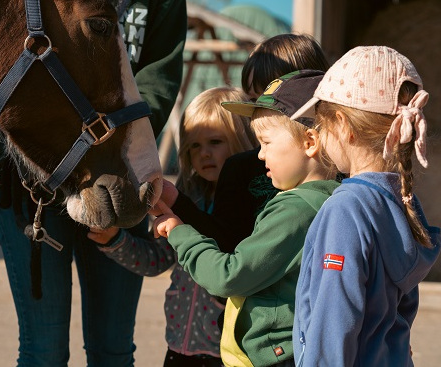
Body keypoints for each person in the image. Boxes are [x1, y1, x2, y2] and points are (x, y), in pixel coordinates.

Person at [0, 1, 187, 366]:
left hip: (118, 171)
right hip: (30, 181)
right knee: (44, 350)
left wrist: (111, 134)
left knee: (113, 349)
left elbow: (160, 73)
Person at [153, 70, 339, 367]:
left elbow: (230, 275)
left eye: (265, 143)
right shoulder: (335, 197)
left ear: (309, 142)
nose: (259, 156)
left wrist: (178, 231)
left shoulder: (296, 210)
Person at [290, 46, 441, 366]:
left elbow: (335, 319)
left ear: (343, 126)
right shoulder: (403, 202)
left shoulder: (346, 210)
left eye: (321, 124)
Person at [89, 86, 258, 367]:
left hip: (225, 354)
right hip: (178, 347)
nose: (203, 154)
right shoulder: (186, 197)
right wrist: (114, 240)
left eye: (215, 142)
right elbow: (156, 260)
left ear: (242, 140)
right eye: (193, 146)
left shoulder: (250, 206)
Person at [155, 33, 331, 252]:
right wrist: (177, 205)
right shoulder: (240, 169)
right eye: (252, 101)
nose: (259, 112)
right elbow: (226, 243)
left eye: (272, 101)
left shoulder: (341, 162)